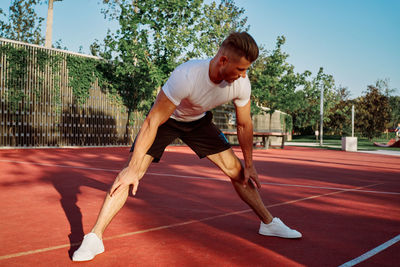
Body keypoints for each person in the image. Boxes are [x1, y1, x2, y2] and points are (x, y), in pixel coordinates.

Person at [72, 32, 301, 262]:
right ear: (223, 60)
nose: (243, 75)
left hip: (198, 122)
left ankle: (269, 223)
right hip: (167, 121)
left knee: (239, 172)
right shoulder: (187, 75)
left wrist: (250, 164)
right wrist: (133, 166)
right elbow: (153, 120)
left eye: (246, 70)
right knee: (131, 172)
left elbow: (244, 124)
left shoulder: (241, 84)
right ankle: (95, 237)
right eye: (240, 69)